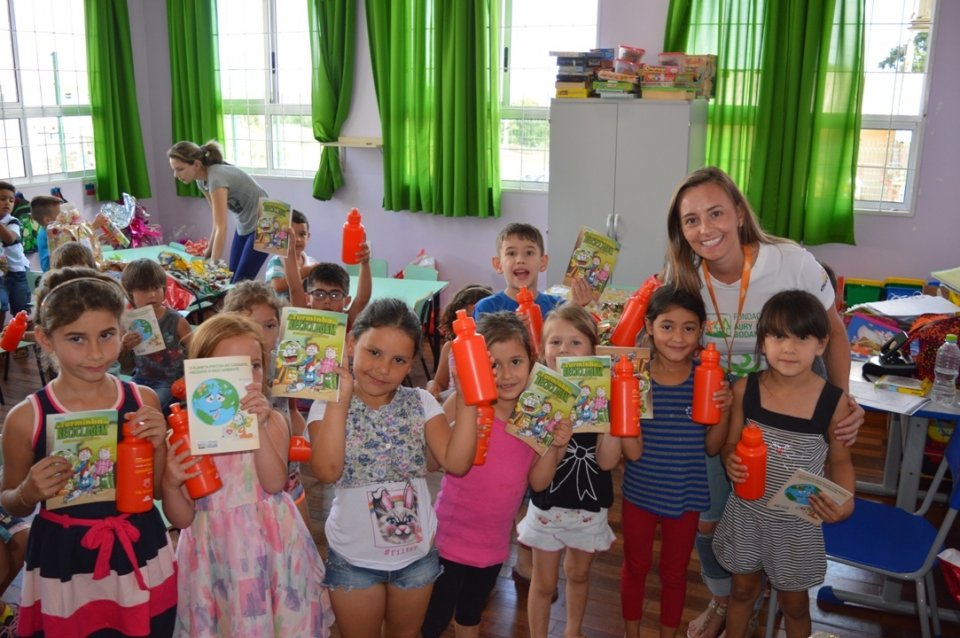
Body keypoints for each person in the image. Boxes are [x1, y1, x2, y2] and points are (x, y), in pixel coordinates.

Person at [662, 167, 864, 638]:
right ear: (681, 229)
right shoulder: (683, 275)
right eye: (691, 220)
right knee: (711, 519)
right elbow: (671, 337)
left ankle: (781, 585)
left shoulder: (789, 260)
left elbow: (833, 331)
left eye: (715, 213)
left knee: (788, 504)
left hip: (791, 396)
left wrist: (843, 400)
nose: (705, 229)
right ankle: (725, 598)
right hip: (721, 400)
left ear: (737, 212)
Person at [0, 267, 177, 636]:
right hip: (64, 555)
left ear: (122, 331)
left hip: (139, 544)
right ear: (46, 340)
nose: (96, 353)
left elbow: (158, 491)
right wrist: (28, 492)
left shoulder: (140, 400)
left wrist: (160, 444)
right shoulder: (25, 418)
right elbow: (11, 501)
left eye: (107, 335)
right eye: (76, 338)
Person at [307, 298, 477, 637]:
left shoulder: (422, 402)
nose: (383, 369)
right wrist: (340, 400)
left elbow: (457, 463)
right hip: (354, 562)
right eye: (373, 352)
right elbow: (327, 471)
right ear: (352, 343)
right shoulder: (326, 406)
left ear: (411, 363)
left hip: (415, 560)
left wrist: (470, 398)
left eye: (398, 360)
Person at [162, 312, 332, 636]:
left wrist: (257, 427)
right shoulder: (186, 433)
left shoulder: (273, 422)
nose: (247, 378)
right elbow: (182, 518)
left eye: (253, 365)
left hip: (272, 546)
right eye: (231, 369)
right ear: (203, 373)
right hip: (213, 552)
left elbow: (272, 483)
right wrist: (170, 484)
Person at [421, 312, 572, 638]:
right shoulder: (465, 404)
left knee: (471, 614)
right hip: (446, 540)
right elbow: (431, 463)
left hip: (492, 547)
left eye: (515, 361)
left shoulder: (534, 417)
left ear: (532, 361)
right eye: (493, 364)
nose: (505, 374)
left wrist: (555, 446)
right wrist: (464, 418)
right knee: (432, 619)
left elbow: (538, 482)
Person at [713, 290, 855, 638]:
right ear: (763, 342)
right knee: (742, 591)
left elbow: (840, 459)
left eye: (802, 337)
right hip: (746, 514)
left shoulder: (833, 402)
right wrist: (730, 458)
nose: (788, 348)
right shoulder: (746, 389)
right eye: (778, 336)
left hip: (796, 525)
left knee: (794, 605)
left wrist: (846, 500)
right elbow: (730, 443)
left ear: (821, 345)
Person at [620, 285, 731, 638]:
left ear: (701, 331)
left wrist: (723, 412)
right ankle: (632, 633)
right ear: (649, 326)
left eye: (689, 327)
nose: (678, 337)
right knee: (635, 566)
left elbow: (713, 447)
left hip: (687, 495)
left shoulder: (708, 378)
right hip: (639, 491)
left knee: (674, 571)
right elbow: (628, 447)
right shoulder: (635, 377)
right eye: (667, 326)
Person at [517, 304, 622, 638]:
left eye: (575, 343)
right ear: (542, 350)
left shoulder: (601, 398)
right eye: (555, 342)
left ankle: (573, 631)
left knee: (578, 574)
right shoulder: (536, 398)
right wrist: (556, 441)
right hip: (547, 504)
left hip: (589, 505)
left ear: (594, 350)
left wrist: (615, 420)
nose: (564, 350)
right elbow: (536, 476)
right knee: (543, 581)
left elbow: (607, 463)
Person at [221, 280, 312, 527]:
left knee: (299, 537)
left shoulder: (286, 362)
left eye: (270, 325)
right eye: (250, 325)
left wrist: (303, 432)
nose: (262, 334)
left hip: (286, 469)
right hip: (241, 475)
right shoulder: (225, 370)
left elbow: (291, 409)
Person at [167, 140, 269, 283]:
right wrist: (208, 252)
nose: (175, 175)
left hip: (267, 222)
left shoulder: (216, 178)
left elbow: (222, 227)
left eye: (180, 169)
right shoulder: (201, 180)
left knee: (239, 285)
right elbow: (217, 221)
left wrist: (212, 266)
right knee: (233, 281)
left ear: (196, 164)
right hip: (246, 224)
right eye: (174, 169)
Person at [473, 222, 593, 319]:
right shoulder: (487, 308)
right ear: (498, 264)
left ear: (543, 262)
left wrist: (576, 308)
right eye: (511, 253)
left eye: (529, 253)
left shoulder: (559, 307)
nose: (520, 260)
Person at [120, 259, 191, 413]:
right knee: (124, 406)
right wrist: (123, 345)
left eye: (157, 288)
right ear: (129, 292)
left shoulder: (176, 321)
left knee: (148, 409)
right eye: (144, 290)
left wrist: (186, 378)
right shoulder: (128, 320)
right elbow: (116, 356)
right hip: (139, 378)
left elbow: (198, 349)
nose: (152, 295)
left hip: (168, 382)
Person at [283, 237, 373, 327]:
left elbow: (363, 299)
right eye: (319, 294)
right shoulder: (303, 317)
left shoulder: (347, 320)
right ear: (307, 299)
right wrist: (289, 250)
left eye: (335, 295)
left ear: (346, 301)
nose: (327, 301)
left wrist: (365, 263)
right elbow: (295, 288)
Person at [425, 283, 494, 400]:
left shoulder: (495, 350)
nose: (474, 325)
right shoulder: (450, 348)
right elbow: (440, 384)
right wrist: (432, 385)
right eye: (468, 318)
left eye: (481, 319)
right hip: (453, 404)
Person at [264, 209, 315, 300]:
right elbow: (278, 286)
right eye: (292, 234)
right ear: (282, 236)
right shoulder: (277, 261)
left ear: (308, 237)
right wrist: (306, 271)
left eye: (302, 234)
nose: (297, 239)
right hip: (280, 310)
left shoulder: (311, 262)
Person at [0, 181, 32, 328]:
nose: (7, 203)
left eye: (11, 200)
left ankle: (25, 344)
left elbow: (9, 238)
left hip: (17, 272)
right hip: (1, 274)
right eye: (2, 199)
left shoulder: (12, 221)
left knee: (21, 311)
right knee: (1, 307)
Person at [29, 195, 62, 272]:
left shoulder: (45, 231)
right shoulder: (48, 234)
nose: (64, 216)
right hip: (52, 273)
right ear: (47, 220)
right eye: (60, 215)